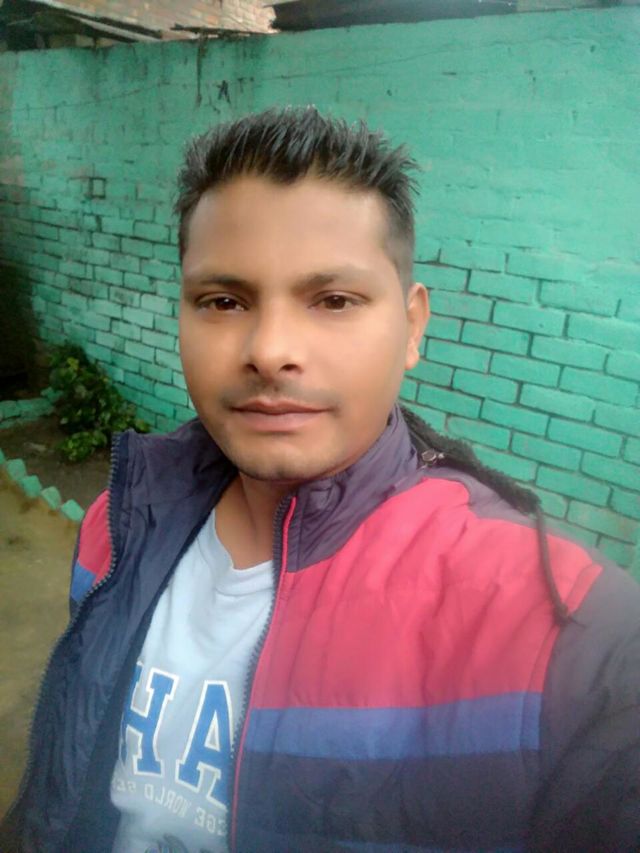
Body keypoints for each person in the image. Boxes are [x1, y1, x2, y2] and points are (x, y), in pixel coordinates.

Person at [2, 107, 639, 853]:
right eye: (223, 301)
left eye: (334, 300)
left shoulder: (568, 636)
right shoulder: (116, 526)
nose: (270, 349)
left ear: (413, 327)